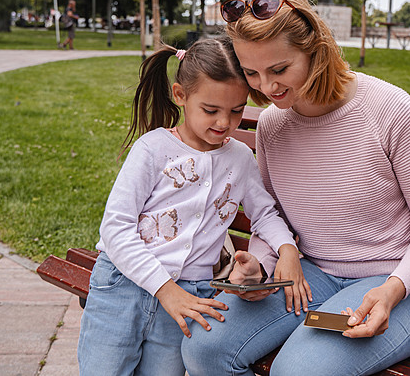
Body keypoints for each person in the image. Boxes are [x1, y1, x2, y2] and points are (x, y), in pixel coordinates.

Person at [182, 0, 410, 376]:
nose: (267, 87)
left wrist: (391, 290)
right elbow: (272, 216)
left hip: (402, 284)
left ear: (315, 47)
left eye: (279, 69)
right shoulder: (272, 125)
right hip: (312, 276)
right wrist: (259, 267)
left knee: (298, 371)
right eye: (252, 73)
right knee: (203, 349)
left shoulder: (390, 109)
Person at [77, 38, 305, 376]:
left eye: (236, 110)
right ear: (180, 95)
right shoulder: (153, 149)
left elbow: (264, 214)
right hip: (123, 286)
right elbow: (115, 229)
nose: (224, 122)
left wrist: (287, 249)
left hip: (190, 296)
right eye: (211, 110)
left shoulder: (240, 158)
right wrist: (165, 290)